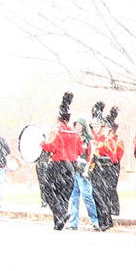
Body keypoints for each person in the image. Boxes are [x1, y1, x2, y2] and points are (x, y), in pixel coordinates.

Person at [40, 92, 84, 230]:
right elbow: (80, 151)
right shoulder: (73, 132)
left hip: (57, 163)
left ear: (59, 116)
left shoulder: (56, 130)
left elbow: (51, 146)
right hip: (71, 165)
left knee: (48, 190)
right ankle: (58, 222)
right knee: (64, 194)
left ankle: (61, 213)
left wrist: (42, 142)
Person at [67, 117, 99, 230]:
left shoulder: (87, 140)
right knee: (74, 197)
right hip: (73, 170)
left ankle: (95, 220)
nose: (77, 127)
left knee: (87, 196)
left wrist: (87, 169)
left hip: (83, 171)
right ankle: (73, 223)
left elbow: (90, 156)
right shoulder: (71, 138)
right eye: (76, 125)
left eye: (80, 125)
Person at [89, 102, 115, 231]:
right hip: (96, 169)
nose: (95, 128)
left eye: (97, 125)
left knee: (103, 195)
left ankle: (106, 221)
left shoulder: (106, 139)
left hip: (104, 168)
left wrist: (98, 151)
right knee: (96, 195)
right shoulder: (94, 139)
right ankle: (102, 221)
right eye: (93, 126)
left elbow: (113, 155)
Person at [108, 120, 124, 216]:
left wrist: (113, 160)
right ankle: (111, 207)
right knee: (109, 187)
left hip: (113, 165)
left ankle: (114, 208)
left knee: (112, 187)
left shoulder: (117, 141)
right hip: (109, 164)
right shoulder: (109, 140)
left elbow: (119, 155)